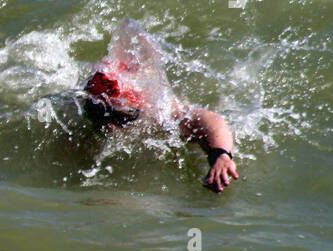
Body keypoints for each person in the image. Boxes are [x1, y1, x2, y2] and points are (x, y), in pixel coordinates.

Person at [81, 20, 239, 193]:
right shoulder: (91, 104)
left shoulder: (159, 111)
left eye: (122, 119)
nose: (111, 126)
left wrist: (221, 155)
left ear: (137, 110)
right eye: (104, 118)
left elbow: (212, 120)